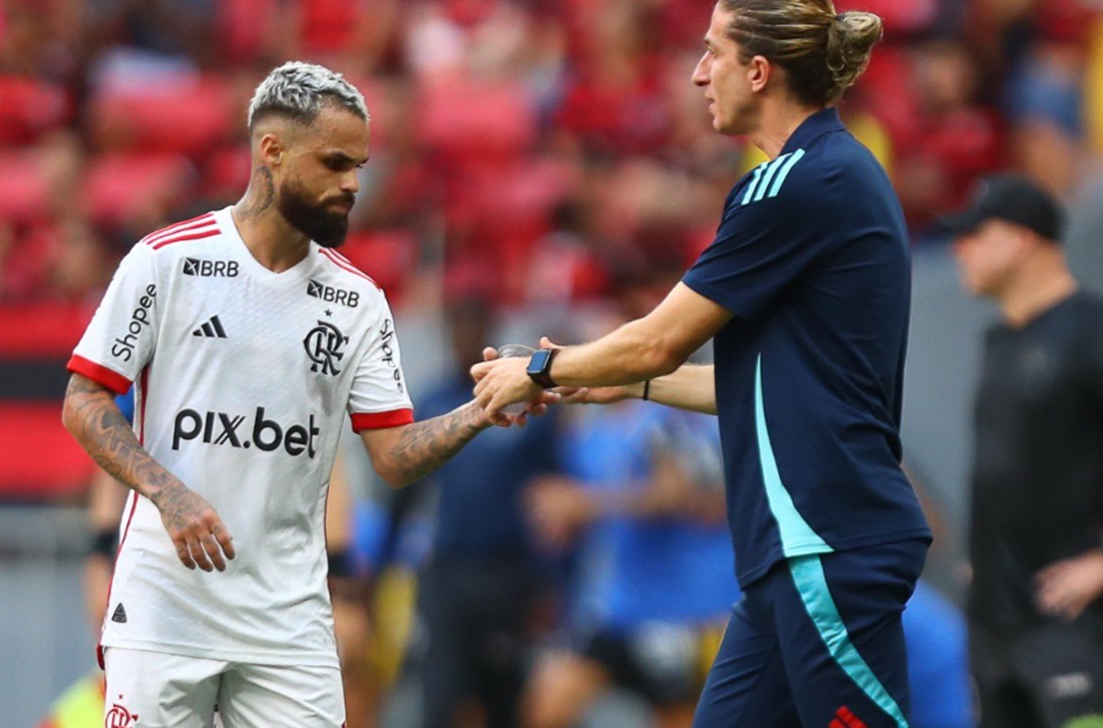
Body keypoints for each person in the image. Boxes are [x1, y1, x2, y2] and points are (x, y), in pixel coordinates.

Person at [472, 2, 932, 726]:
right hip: (793, 554)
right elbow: (758, 385)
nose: (695, 73)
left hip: (825, 541)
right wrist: (618, 378)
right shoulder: (827, 175)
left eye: (712, 53)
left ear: (759, 70)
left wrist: (539, 372)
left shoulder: (795, 183)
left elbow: (661, 338)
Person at [61, 61, 543, 728]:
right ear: (272, 152)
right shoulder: (165, 263)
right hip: (166, 606)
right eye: (336, 163)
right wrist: (168, 495)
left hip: (288, 622)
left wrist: (479, 411)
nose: (353, 184)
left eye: (360, 167)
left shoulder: (357, 302)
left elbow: (394, 455)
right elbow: (83, 401)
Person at [942, 174, 1103, 727]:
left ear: (1022, 239)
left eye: (974, 234)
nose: (959, 248)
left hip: (1072, 621)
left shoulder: (1093, 332)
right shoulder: (999, 339)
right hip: (994, 621)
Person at [397, 297, 562, 728]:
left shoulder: (521, 407)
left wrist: (550, 579)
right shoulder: (433, 402)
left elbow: (550, 493)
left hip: (508, 572)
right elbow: (404, 491)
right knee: (440, 695)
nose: (464, 337)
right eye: (457, 327)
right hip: (447, 571)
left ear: (489, 329)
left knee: (504, 697)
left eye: (474, 325)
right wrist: (380, 564)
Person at [522, 401, 737, 728]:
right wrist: (561, 523)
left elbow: (678, 493)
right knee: (548, 709)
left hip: (675, 613)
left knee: (680, 718)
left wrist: (584, 503)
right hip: (614, 607)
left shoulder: (665, 417)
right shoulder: (586, 431)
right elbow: (592, 510)